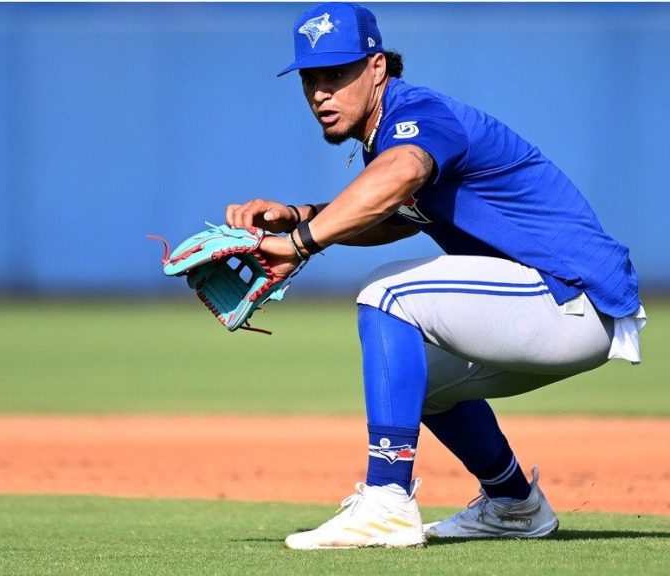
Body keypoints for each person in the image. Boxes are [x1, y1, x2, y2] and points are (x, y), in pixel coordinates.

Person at [224, 2, 646, 550]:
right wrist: (302, 216)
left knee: (387, 292)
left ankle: (386, 502)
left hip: (571, 294)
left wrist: (301, 242)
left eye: (337, 73)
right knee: (407, 382)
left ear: (377, 67)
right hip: (555, 308)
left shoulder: (419, 113)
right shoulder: (390, 132)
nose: (322, 92)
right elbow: (398, 215)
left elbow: (401, 176)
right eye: (311, 78)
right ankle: (514, 505)